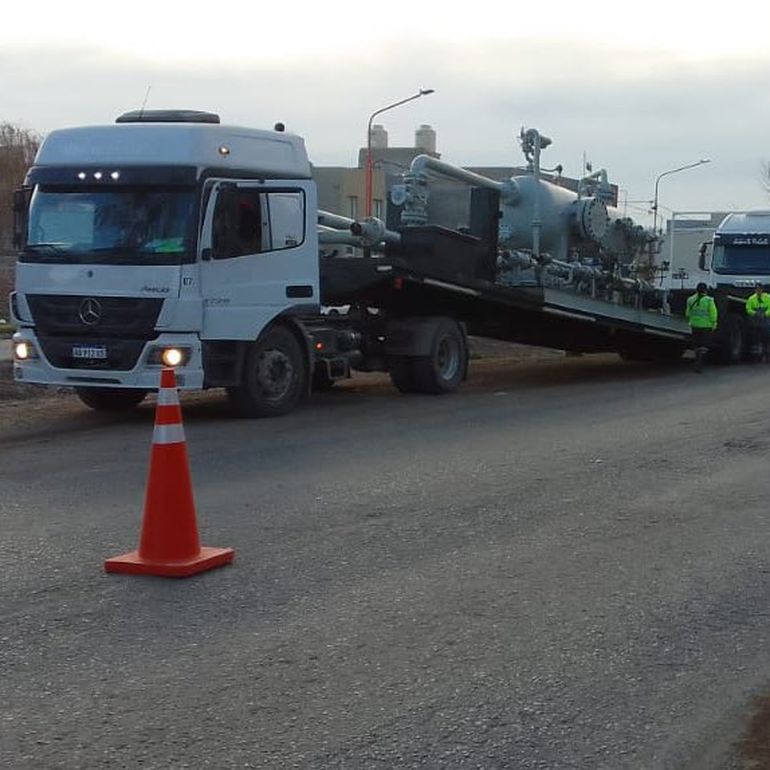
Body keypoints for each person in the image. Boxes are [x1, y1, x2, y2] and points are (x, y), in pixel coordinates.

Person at [685, 282, 718, 373]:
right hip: (706, 326)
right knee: (704, 345)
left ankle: (697, 360)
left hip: (694, 326)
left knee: (697, 344)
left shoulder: (690, 300)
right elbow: (713, 314)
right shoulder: (709, 300)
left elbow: (687, 314)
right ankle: (700, 363)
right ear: (706, 290)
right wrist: (714, 323)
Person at [745, 283, 770, 361]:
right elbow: (748, 309)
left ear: (762, 290)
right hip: (755, 320)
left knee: (766, 337)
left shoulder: (768, 297)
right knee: (756, 338)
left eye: (760, 289)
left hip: (765, 319)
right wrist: (755, 313)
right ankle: (756, 356)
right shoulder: (751, 298)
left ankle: (766, 354)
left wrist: (766, 314)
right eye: (757, 289)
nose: (758, 291)